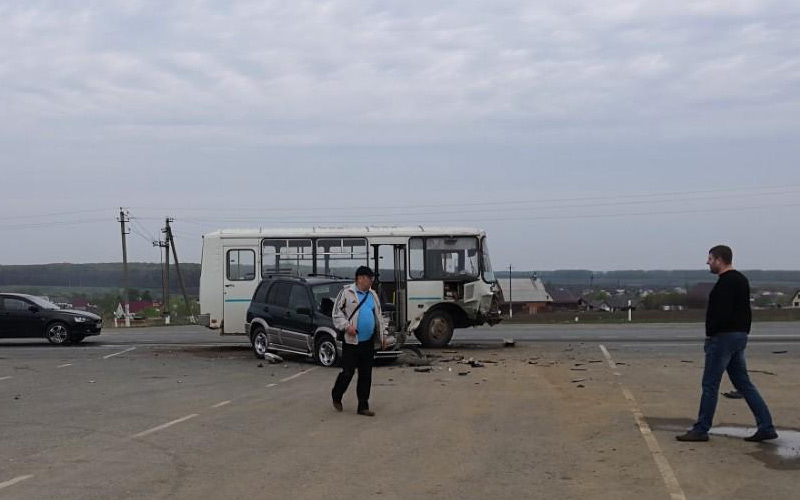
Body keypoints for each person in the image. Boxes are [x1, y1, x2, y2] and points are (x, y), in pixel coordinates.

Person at [677, 245, 778, 442]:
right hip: (738, 337)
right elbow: (745, 312)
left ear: (719, 259)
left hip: (723, 338)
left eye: (710, 259)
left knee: (710, 385)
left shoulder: (725, 283)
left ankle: (701, 429)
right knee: (743, 383)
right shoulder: (741, 280)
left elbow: (721, 314)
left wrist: (711, 335)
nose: (707, 262)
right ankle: (766, 426)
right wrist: (742, 333)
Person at [331, 266, 386, 416]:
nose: (371, 282)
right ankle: (337, 394)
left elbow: (379, 317)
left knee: (366, 374)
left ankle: (363, 406)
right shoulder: (347, 293)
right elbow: (336, 314)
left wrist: (383, 336)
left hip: (368, 342)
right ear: (360, 278)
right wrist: (347, 327)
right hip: (351, 342)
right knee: (348, 373)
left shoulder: (373, 295)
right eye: (369, 278)